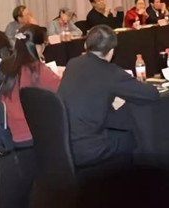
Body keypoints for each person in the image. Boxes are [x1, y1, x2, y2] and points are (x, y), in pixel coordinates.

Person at [57, 25, 159, 166]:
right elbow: (151, 94)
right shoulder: (110, 72)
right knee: (134, 137)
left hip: (63, 144)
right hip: (88, 149)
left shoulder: (73, 63)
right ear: (111, 52)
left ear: (86, 45)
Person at [0, 24, 60, 146]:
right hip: (30, 134)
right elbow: (62, 90)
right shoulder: (37, 70)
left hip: (7, 132)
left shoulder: (4, 65)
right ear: (38, 47)